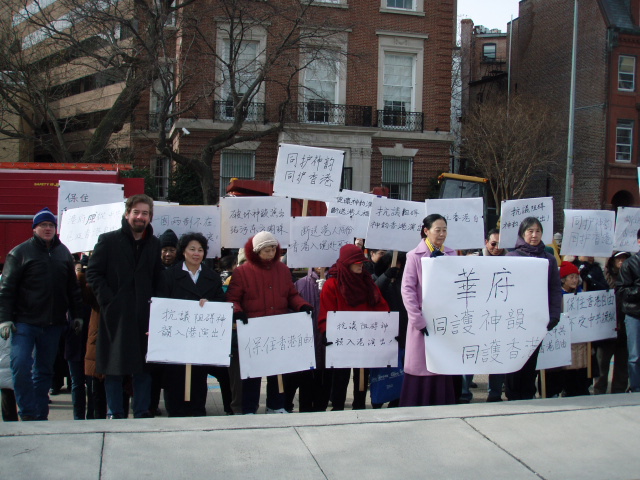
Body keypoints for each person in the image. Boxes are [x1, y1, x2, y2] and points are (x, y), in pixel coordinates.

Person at [0, 207, 84, 421]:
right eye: (43, 225)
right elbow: (7, 290)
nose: (48, 229)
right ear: (34, 228)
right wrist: (5, 319)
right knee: (20, 366)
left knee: (44, 370)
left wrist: (76, 315)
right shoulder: (19, 253)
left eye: (51, 225)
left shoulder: (63, 253)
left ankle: (39, 414)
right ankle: (27, 410)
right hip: (24, 322)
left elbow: (72, 289)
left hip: (53, 323)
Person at [86, 194, 163, 419]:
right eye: (137, 212)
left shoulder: (154, 243)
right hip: (115, 317)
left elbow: (157, 277)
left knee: (143, 370)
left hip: (144, 317)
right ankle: (115, 413)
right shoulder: (108, 240)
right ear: (127, 213)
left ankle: (141, 412)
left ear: (150, 217)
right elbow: (93, 273)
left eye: (145, 213)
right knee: (114, 369)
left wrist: (156, 309)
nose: (140, 217)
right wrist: (109, 301)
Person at [226, 231, 312, 414]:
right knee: (252, 372)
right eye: (266, 249)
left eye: (274, 249)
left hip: (277, 328)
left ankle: (276, 405)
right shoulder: (242, 272)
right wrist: (238, 312)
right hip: (254, 329)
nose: (271, 253)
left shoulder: (282, 270)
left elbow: (291, 295)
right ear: (257, 251)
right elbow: (232, 298)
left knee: (278, 369)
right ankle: (249, 408)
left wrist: (302, 306)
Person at [159, 232, 226, 416]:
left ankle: (197, 409)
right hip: (176, 338)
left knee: (198, 375)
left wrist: (211, 304)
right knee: (175, 376)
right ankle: (175, 410)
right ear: (183, 251)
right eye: (192, 249)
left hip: (200, 338)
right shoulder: (169, 276)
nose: (196, 253)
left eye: (200, 250)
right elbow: (161, 305)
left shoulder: (211, 277)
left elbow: (222, 302)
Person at [318, 245, 389, 410]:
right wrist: (326, 331)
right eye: (356, 262)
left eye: (362, 262)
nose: (360, 265)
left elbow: (381, 306)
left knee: (362, 375)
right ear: (346, 263)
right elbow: (325, 312)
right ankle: (338, 406)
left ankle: (359, 405)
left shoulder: (367, 281)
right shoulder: (332, 284)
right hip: (341, 340)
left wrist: (389, 329)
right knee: (340, 376)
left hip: (364, 337)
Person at [400, 214, 457, 407]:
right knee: (422, 367)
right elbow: (407, 290)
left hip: (444, 322)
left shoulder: (452, 254)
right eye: (437, 230)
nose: (442, 234)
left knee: (441, 365)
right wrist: (418, 320)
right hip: (422, 323)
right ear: (426, 231)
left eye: (444, 230)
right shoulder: (413, 256)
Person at [505, 217, 562, 400]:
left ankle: (528, 393)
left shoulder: (549, 260)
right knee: (514, 357)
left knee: (532, 360)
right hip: (515, 320)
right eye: (530, 231)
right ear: (523, 233)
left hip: (537, 319)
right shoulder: (512, 257)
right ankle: (513, 394)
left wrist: (554, 315)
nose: (534, 235)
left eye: (538, 231)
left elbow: (554, 289)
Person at [596, 251, 630, 394]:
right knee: (602, 363)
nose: (621, 261)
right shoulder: (604, 277)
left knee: (622, 363)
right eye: (618, 258)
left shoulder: (631, 275)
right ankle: (599, 390)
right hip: (606, 327)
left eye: (624, 258)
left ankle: (619, 391)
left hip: (625, 325)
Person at [479, 228, 506, 402]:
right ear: (486, 242)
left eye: (500, 244)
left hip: (501, 317)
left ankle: (495, 393)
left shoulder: (512, 261)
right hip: (477, 315)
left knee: (498, 354)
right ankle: (464, 393)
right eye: (493, 243)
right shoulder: (475, 261)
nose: (496, 247)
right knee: (471, 354)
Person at [616, 230, 640, 393]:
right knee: (635, 355)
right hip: (635, 315)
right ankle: (636, 387)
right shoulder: (630, 264)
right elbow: (621, 291)